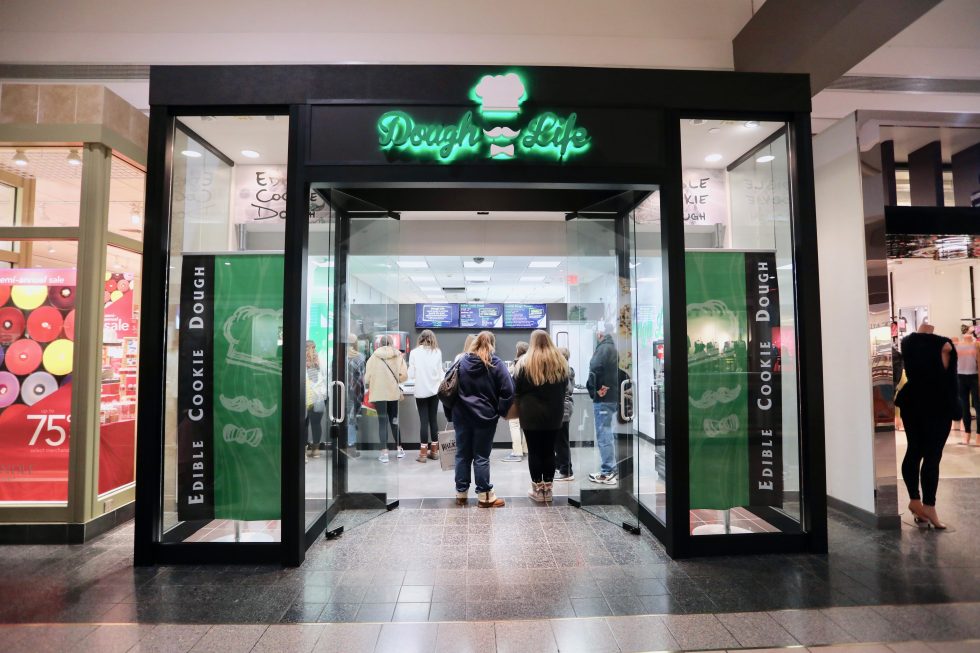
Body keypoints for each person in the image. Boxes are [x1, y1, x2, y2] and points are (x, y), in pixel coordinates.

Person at [895, 321, 959, 529]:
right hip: (937, 404)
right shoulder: (944, 345)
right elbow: (950, 381)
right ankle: (929, 506)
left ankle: (915, 500)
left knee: (914, 451)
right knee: (932, 456)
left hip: (912, 402)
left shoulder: (907, 343)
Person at [453, 330, 514, 507]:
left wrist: (452, 412)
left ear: (475, 343)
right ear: (492, 344)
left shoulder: (461, 362)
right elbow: (509, 390)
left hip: (461, 416)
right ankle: (484, 497)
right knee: (481, 456)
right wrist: (500, 411)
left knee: (462, 455)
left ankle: (461, 494)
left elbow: (447, 386)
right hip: (485, 418)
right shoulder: (496, 363)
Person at [513, 330, 569, 502]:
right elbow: (565, 388)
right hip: (554, 414)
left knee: (535, 451)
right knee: (549, 450)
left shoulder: (524, 362)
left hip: (530, 414)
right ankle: (548, 491)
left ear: (532, 342)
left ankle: (538, 491)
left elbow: (516, 389)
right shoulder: (560, 362)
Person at [364, 334, 408, 463]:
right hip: (392, 394)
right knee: (394, 421)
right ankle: (399, 449)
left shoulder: (373, 358)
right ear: (392, 343)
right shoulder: (398, 355)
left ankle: (384, 453)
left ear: (379, 344)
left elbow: (367, 379)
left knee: (382, 423)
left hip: (379, 395)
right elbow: (404, 376)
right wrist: (395, 380)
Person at [587, 324, 620, 484]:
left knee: (604, 434)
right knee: (607, 433)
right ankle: (610, 469)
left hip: (604, 399)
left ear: (600, 334)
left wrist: (596, 389)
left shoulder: (604, 348)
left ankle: (608, 472)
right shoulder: (611, 347)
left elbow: (595, 369)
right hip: (610, 397)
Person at [409, 329, 444, 462]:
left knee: (424, 421)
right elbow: (440, 373)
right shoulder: (437, 352)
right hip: (434, 391)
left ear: (420, 338)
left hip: (420, 392)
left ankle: (423, 454)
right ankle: (434, 452)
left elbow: (411, 374)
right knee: (433, 420)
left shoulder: (414, 353)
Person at [501, 341, 529, 462]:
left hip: (517, 399)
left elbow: (509, 379)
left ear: (519, 350)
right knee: (527, 424)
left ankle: (517, 453)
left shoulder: (517, 363)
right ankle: (526, 449)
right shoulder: (531, 362)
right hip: (529, 400)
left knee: (514, 424)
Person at [955, 324, 980, 445]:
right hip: (961, 378)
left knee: (977, 407)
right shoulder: (957, 345)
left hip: (974, 377)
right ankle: (967, 434)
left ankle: (978, 435)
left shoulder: (977, 345)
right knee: (965, 407)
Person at [555, 346, 575, 481]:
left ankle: (566, 471)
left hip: (563, 409)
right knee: (560, 441)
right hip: (565, 408)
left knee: (561, 442)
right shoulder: (569, 370)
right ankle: (561, 466)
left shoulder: (563, 371)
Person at [305, 340, 326, 459]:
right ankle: (316, 450)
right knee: (316, 424)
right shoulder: (320, 360)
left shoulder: (302, 360)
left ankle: (303, 451)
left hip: (305, 396)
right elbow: (325, 377)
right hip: (318, 396)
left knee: (303, 424)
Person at [346, 333, 365, 458]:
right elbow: (363, 376)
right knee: (352, 419)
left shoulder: (339, 355)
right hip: (356, 392)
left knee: (343, 418)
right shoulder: (360, 357)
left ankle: (343, 445)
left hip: (342, 391)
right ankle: (351, 446)